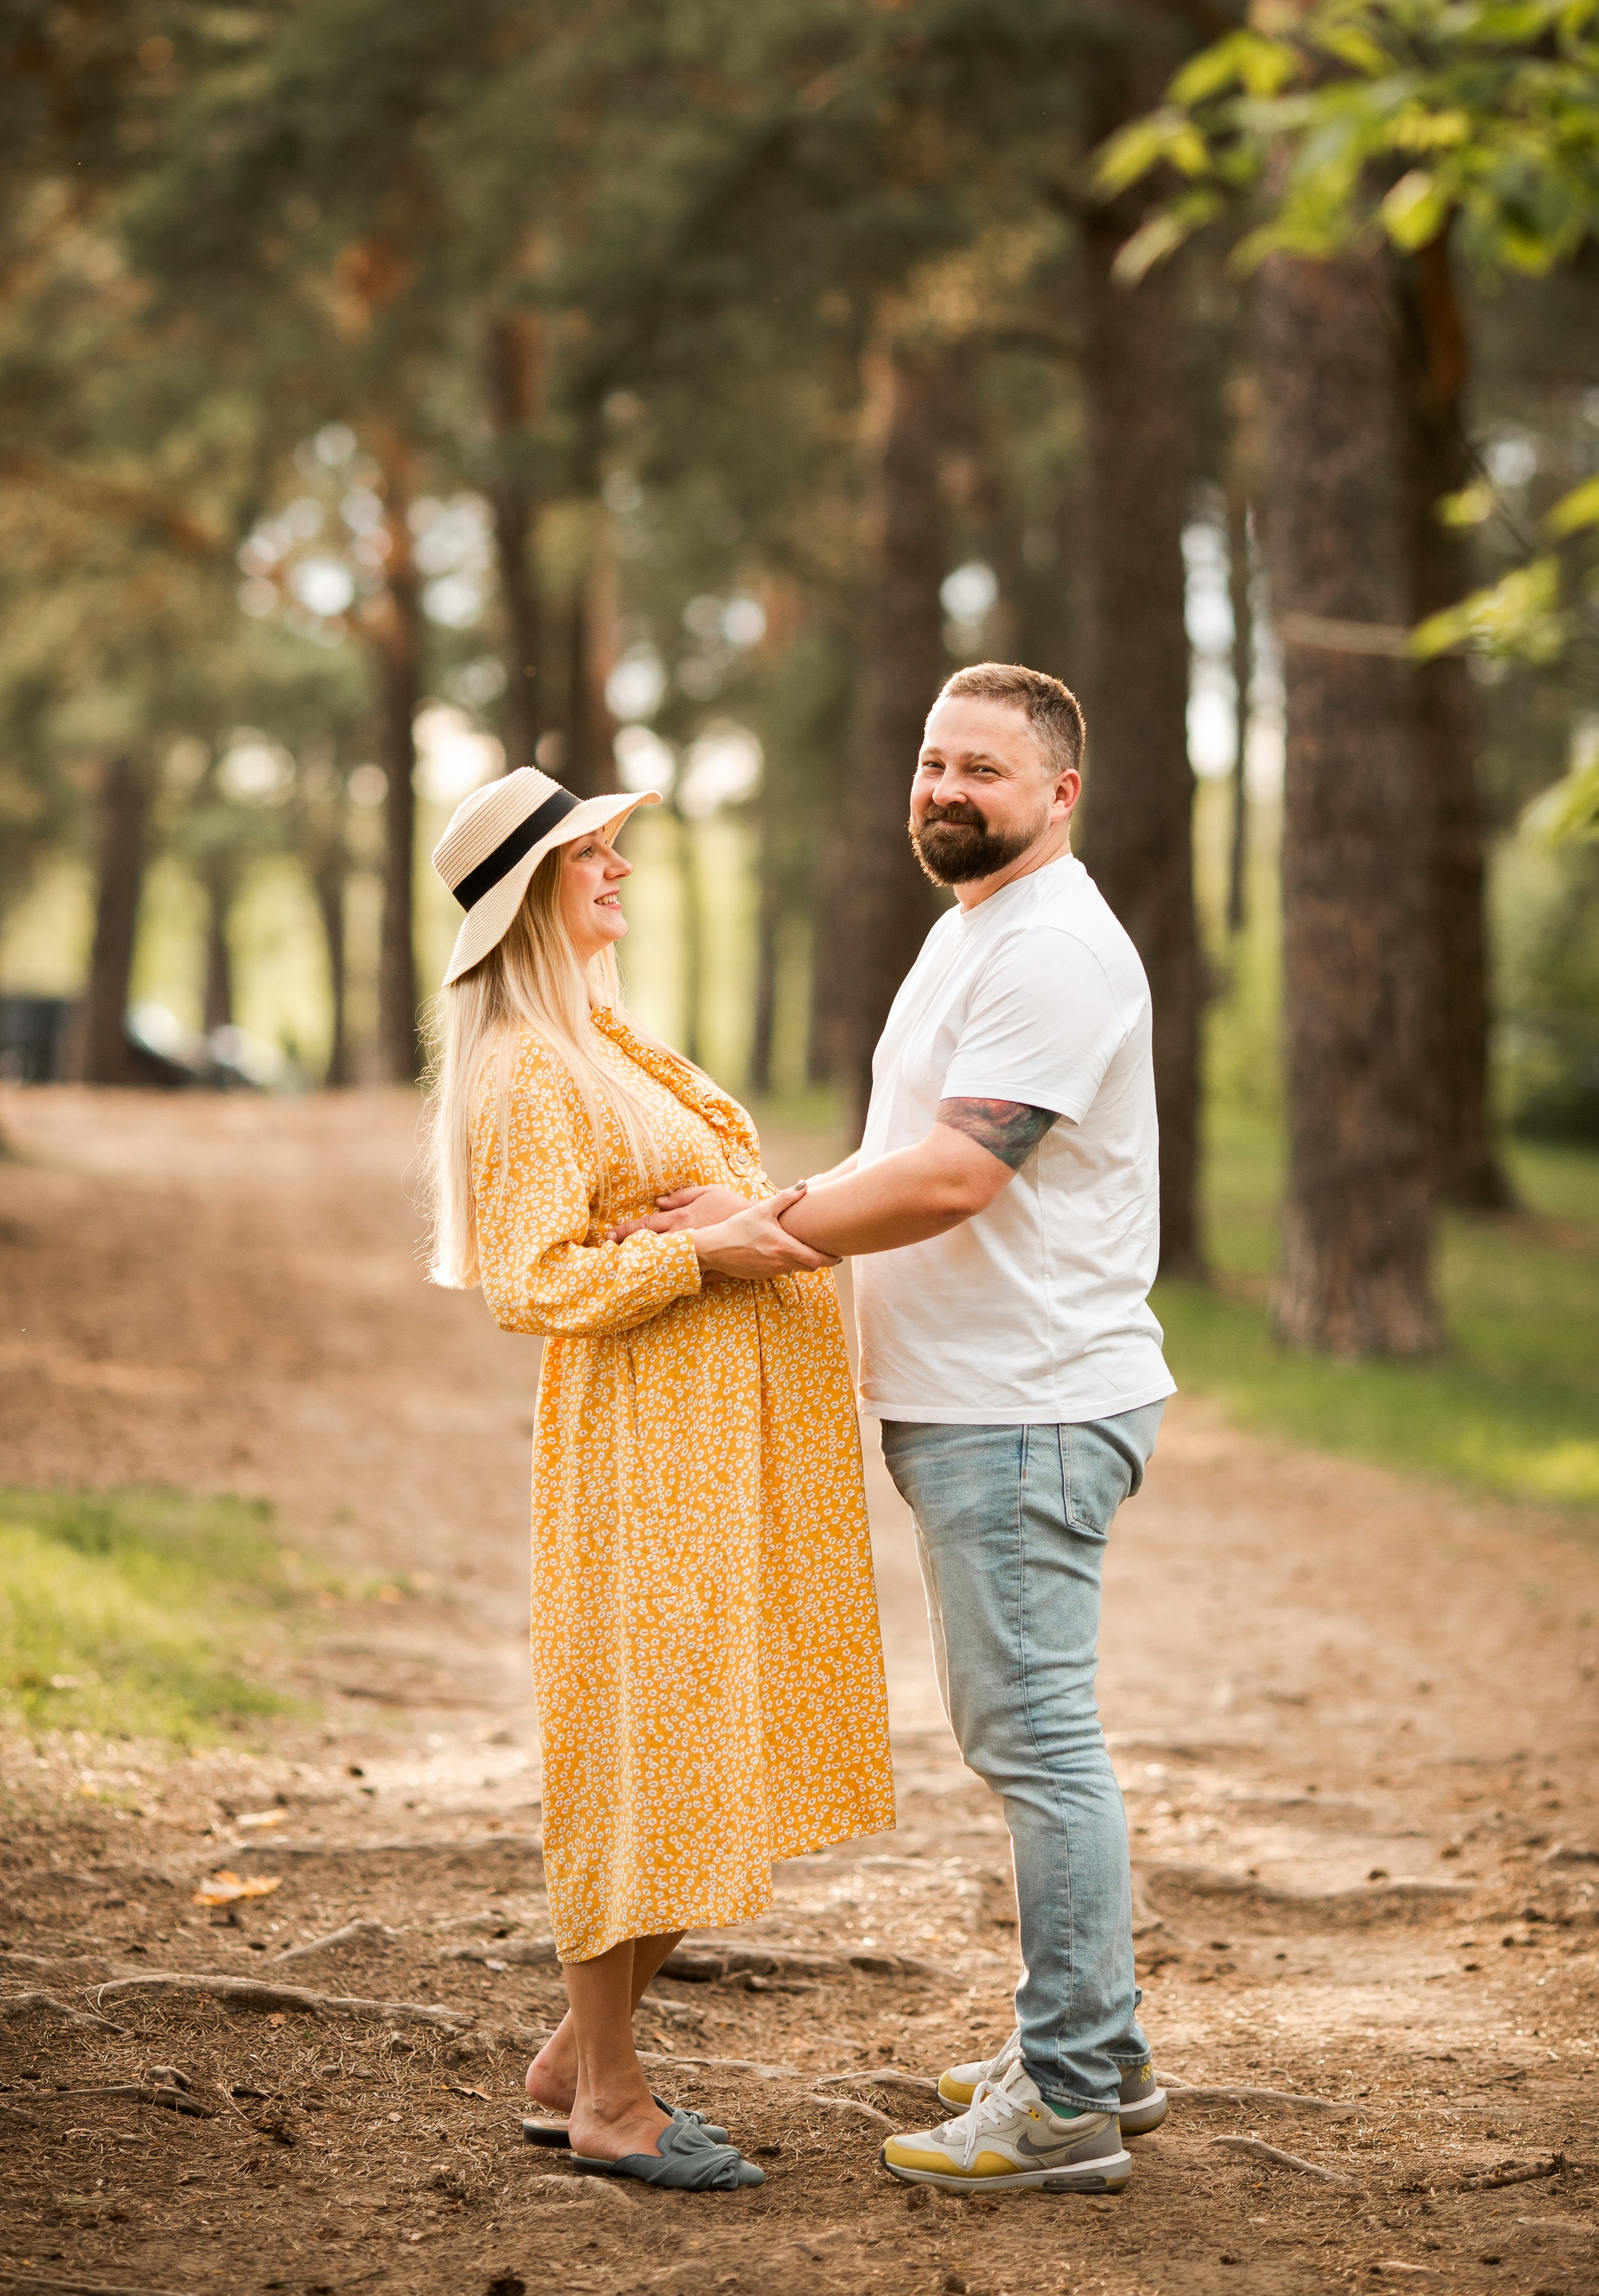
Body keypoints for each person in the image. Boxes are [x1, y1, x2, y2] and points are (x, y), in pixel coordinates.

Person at [631, 663, 1173, 2196]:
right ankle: (1104, 2056)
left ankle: (1066, 2097)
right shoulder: (976, 931)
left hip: (1027, 1409)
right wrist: (776, 1212)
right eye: (932, 760)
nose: (944, 789)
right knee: (1028, 1738)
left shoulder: (1054, 946)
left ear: (1059, 792)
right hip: (982, 1404)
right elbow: (908, 1155)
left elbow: (950, 1178)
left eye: (982, 770)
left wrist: (760, 1226)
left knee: (1035, 1746)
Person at [424, 765, 894, 2193]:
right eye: (592, 856)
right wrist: (716, 1250)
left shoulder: (603, 1040)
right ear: (528, 895)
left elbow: (694, 1211)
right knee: (641, 1746)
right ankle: (610, 2102)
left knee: (719, 1741)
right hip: (643, 1452)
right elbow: (532, 1280)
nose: (618, 871)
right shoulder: (523, 1065)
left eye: (617, 849)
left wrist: (747, 1223)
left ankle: (575, 2051)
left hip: (713, 1442)